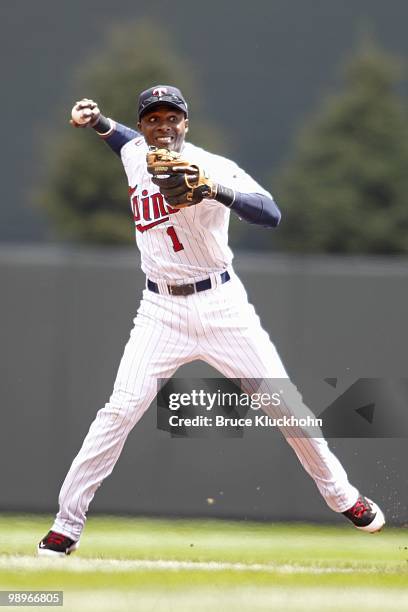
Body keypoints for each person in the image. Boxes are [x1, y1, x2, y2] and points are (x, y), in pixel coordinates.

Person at [38, 85, 385, 557]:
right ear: (143, 126)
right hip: (159, 311)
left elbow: (271, 214)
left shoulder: (212, 165)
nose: (163, 126)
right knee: (118, 411)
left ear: (186, 123)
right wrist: (97, 121)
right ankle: (66, 525)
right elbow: (119, 140)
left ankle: (343, 497)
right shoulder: (137, 152)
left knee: (286, 406)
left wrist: (212, 190)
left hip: (222, 305)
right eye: (153, 119)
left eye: (172, 118)